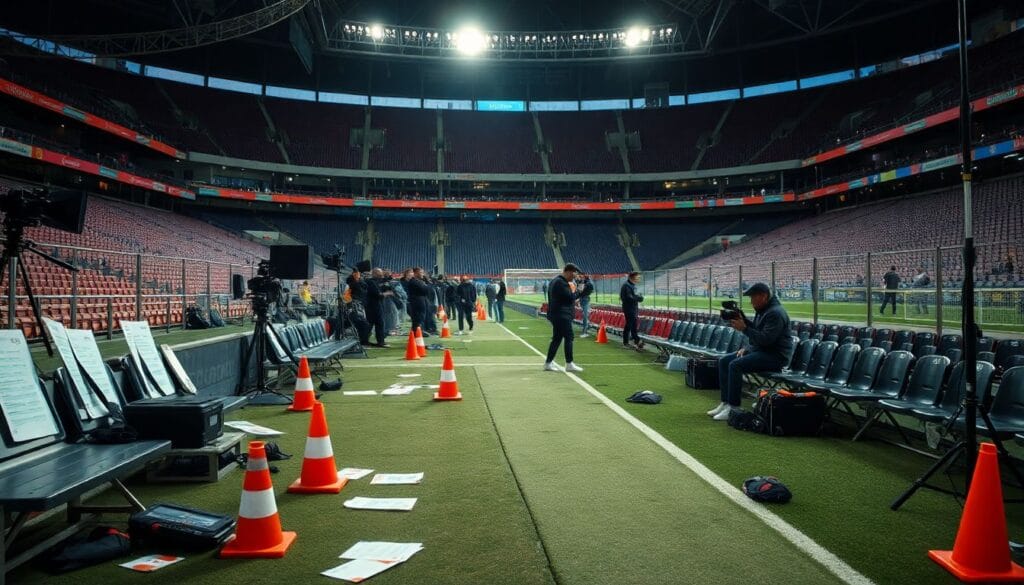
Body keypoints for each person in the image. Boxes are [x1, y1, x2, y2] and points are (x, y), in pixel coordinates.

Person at [708, 283, 795, 421]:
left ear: (764, 296)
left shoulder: (775, 313)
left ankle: (733, 407)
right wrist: (747, 345)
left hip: (776, 357)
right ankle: (725, 402)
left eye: (753, 297)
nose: (751, 301)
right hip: (763, 352)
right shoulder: (764, 311)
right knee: (724, 361)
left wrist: (744, 328)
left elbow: (766, 340)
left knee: (735, 365)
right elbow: (758, 333)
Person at [544, 263, 583, 372]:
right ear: (569, 271)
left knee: (557, 339)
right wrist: (579, 290)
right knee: (569, 337)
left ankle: (548, 362)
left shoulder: (556, 281)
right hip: (561, 315)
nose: (574, 277)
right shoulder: (560, 282)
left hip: (558, 314)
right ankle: (569, 363)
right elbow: (570, 297)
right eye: (574, 274)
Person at [365, 267, 394, 347]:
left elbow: (387, 288)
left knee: (373, 324)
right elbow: (378, 295)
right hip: (373, 306)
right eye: (379, 274)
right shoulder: (370, 282)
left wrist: (387, 285)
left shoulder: (377, 282)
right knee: (378, 324)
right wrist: (387, 293)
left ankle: (366, 341)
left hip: (377, 305)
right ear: (374, 274)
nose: (381, 276)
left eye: (382, 274)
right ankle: (379, 342)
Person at [620, 272, 644, 349]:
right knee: (629, 325)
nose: (639, 279)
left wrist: (638, 297)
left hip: (633, 308)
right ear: (631, 277)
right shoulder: (627, 286)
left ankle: (637, 341)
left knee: (633, 325)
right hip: (629, 308)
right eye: (637, 277)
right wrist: (638, 298)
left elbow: (633, 296)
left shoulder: (631, 285)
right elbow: (629, 298)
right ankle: (626, 343)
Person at [404, 267, 431, 335]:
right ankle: (417, 333)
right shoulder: (414, 281)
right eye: (421, 272)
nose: (423, 274)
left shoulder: (418, 281)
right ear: (415, 273)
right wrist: (426, 285)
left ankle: (418, 331)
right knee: (418, 318)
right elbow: (426, 290)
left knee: (420, 317)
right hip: (417, 302)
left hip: (419, 301)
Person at [576, 273, 594, 337]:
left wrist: (578, 296)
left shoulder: (587, 283)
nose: (579, 277)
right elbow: (579, 291)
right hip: (583, 299)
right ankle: (586, 327)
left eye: (581, 276)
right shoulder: (584, 282)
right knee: (585, 315)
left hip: (585, 299)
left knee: (585, 316)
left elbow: (580, 291)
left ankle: (585, 332)